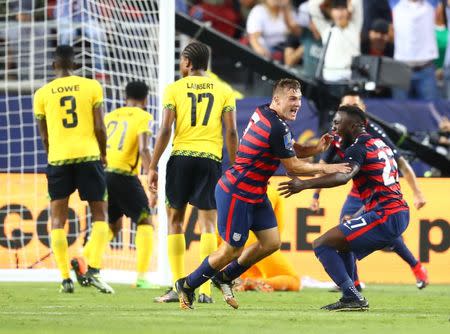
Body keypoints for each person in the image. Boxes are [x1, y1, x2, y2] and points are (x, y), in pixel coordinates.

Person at [173, 78, 351, 310]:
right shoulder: (276, 126)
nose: (297, 104)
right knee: (231, 249)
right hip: (237, 192)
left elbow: (287, 146)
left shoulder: (266, 113)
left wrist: (315, 149)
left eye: (299, 99)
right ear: (277, 99)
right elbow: (293, 168)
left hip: (255, 192)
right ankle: (187, 284)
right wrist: (328, 167)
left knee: (271, 242)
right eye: (292, 99)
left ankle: (224, 277)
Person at [279, 105, 411, 311]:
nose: (334, 127)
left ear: (355, 125)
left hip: (386, 214)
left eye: (338, 123)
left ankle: (352, 296)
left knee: (322, 244)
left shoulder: (357, 147)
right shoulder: (379, 143)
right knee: (342, 243)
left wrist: (304, 184)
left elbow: (344, 176)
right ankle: (353, 291)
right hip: (395, 211)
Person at [148, 42, 239, 304]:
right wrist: (234, 166)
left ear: (188, 62)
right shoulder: (224, 90)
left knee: (175, 221)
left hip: (181, 158)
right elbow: (231, 132)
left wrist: (153, 166)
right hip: (210, 159)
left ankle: (178, 287)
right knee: (208, 224)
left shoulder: (174, 89)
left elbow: (165, 129)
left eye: (181, 60)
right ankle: (205, 291)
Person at [310, 92, 428, 290]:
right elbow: (323, 164)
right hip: (358, 191)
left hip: (378, 191)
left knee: (383, 234)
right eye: (345, 106)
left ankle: (414, 266)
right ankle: (353, 285)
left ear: (361, 110)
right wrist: (315, 195)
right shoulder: (338, 135)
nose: (348, 109)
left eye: (354, 105)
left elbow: (401, 163)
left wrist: (417, 192)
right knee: (345, 231)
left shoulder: (372, 133)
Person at [33, 45, 113, 293]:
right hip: (89, 157)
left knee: (58, 219)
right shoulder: (91, 87)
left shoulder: (42, 94)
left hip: (58, 160)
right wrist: (103, 153)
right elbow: (100, 126)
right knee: (100, 215)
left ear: (52, 65)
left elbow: (44, 136)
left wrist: (53, 156)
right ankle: (93, 269)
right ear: (76, 65)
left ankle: (65, 278)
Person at [79, 81, 156, 289]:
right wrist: (151, 176)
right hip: (124, 176)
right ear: (146, 99)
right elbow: (144, 148)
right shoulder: (144, 117)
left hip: (103, 173)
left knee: (113, 224)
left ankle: (84, 258)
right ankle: (141, 278)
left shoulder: (110, 115)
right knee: (146, 223)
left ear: (125, 97)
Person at [235, 183, 300, 292]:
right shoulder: (268, 191)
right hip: (260, 244)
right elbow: (270, 226)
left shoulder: (234, 191)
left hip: (234, 246)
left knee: (249, 276)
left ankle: (246, 283)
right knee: (294, 280)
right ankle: (260, 283)